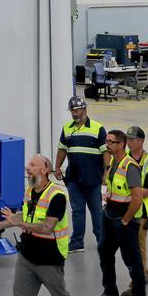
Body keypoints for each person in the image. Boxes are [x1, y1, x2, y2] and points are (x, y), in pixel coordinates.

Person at [0, 155, 97, 296]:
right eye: (28, 164)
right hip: (27, 255)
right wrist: (2, 224)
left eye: (32, 165)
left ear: (44, 169)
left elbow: (47, 227)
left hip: (49, 257)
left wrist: (18, 222)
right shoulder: (30, 190)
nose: (27, 168)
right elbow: (25, 215)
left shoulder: (57, 196)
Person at [90, 129, 148, 296]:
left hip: (123, 219)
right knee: (105, 251)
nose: (106, 145)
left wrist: (126, 220)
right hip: (110, 214)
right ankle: (110, 292)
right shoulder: (114, 162)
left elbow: (137, 198)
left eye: (110, 142)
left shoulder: (129, 166)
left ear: (121, 144)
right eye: (106, 141)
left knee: (131, 259)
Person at [53, 96, 106, 253]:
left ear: (84, 109)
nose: (74, 114)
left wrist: (106, 173)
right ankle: (77, 242)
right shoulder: (67, 128)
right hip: (73, 178)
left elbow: (105, 153)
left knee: (96, 211)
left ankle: (102, 241)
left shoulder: (98, 129)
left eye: (76, 110)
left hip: (93, 179)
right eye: (72, 111)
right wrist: (57, 168)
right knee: (77, 211)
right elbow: (62, 149)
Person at [122, 126, 148, 296]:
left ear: (141, 141)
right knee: (130, 246)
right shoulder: (124, 160)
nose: (128, 142)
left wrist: (132, 195)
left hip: (142, 212)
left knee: (138, 246)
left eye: (132, 139)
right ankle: (141, 272)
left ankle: (141, 276)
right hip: (126, 209)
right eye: (127, 139)